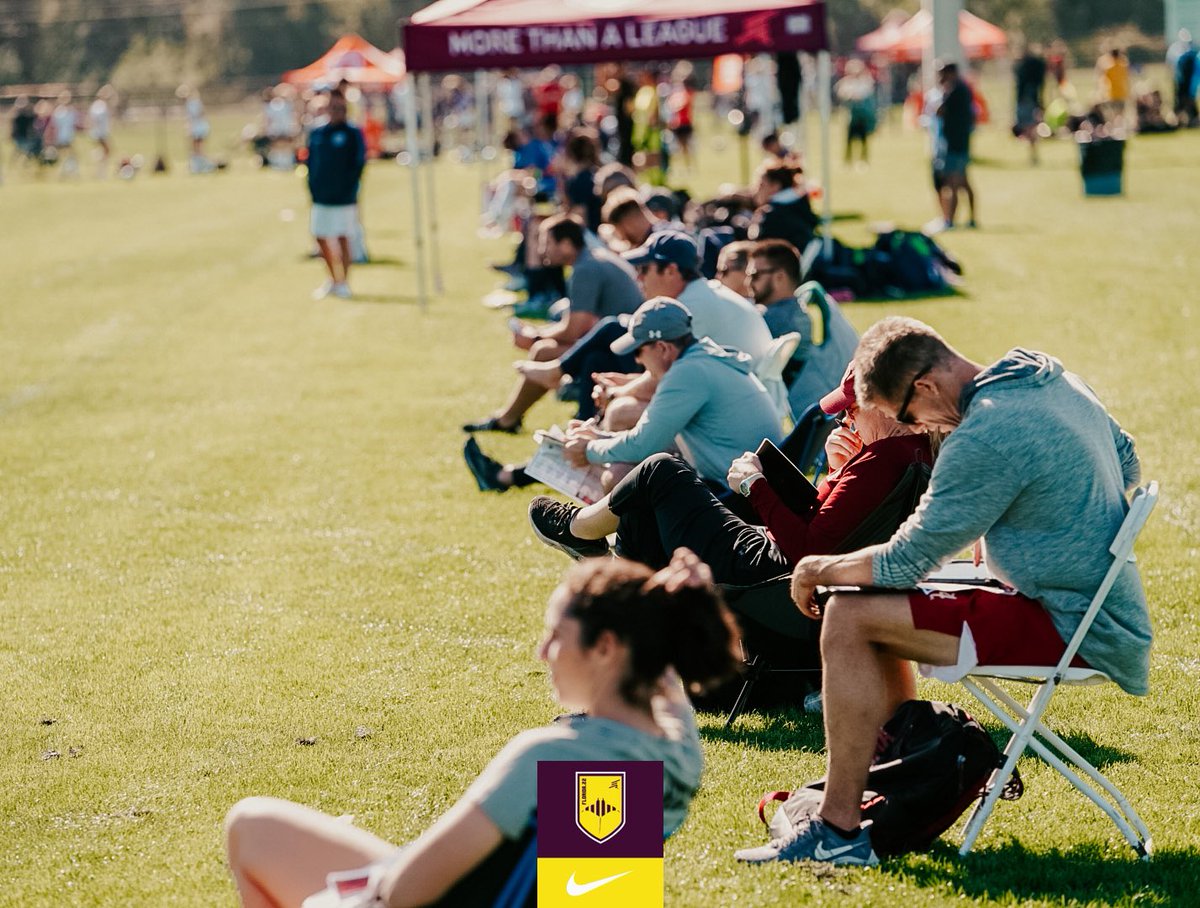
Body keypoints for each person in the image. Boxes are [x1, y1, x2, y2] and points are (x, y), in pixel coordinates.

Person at [737, 316, 1151, 866]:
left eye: (907, 415)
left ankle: (838, 832)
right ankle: (907, 770)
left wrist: (815, 568)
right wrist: (1037, 521)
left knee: (847, 615)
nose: (915, 426)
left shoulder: (984, 434)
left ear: (925, 386)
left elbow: (904, 561)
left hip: (1071, 621)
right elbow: (1126, 461)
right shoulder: (1044, 374)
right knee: (861, 610)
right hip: (1080, 601)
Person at [226, 549, 738, 908]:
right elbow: (593, 890)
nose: (542, 653)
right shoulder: (676, 752)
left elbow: (407, 893)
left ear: (606, 648)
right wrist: (671, 603)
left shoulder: (548, 758)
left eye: (556, 635)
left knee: (249, 825)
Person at [526, 367, 931, 582]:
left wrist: (755, 486)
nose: (847, 417)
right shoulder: (900, 454)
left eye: (853, 407)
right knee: (646, 503)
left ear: (884, 405)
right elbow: (832, 522)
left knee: (660, 470)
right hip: (778, 563)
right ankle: (612, 576)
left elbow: (808, 548)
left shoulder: (883, 461)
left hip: (766, 570)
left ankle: (581, 530)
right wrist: (835, 471)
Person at [463, 214, 642, 434]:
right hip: (624, 347)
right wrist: (540, 333)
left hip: (629, 353)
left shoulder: (586, 268)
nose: (541, 250)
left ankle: (508, 419)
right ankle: (510, 417)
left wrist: (535, 336)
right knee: (549, 349)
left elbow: (576, 328)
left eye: (546, 242)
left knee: (543, 351)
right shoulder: (593, 259)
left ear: (566, 244)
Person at [746, 240, 858, 419]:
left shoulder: (777, 318)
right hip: (828, 417)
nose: (748, 282)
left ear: (780, 277)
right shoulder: (796, 308)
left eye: (755, 275)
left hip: (823, 424)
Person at [306, 90, 366, 300]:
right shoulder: (317, 132)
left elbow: (358, 164)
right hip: (321, 196)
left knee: (343, 237)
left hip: (344, 196)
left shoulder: (352, 133)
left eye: (340, 108)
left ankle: (344, 282)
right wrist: (312, 187)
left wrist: (351, 188)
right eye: (332, 107)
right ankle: (333, 279)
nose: (336, 112)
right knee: (320, 236)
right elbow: (311, 162)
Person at [932, 62, 976, 231]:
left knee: (953, 183)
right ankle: (971, 219)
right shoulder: (963, 88)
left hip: (955, 144)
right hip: (960, 142)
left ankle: (950, 221)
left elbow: (939, 111)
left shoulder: (955, 90)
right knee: (964, 182)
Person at [746, 159, 820, 251]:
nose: (755, 190)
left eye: (761, 185)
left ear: (775, 186)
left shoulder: (770, 215)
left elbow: (757, 250)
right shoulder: (798, 205)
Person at [836, 60, 876, 166]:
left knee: (863, 138)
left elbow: (867, 92)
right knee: (849, 139)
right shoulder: (846, 82)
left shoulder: (865, 81)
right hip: (851, 116)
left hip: (862, 116)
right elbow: (841, 92)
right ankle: (848, 159)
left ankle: (863, 158)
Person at [1013, 44, 1047, 164]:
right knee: (1030, 129)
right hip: (1031, 101)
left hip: (1025, 102)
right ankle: (1033, 153)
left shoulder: (1023, 69)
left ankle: (1033, 154)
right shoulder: (1037, 68)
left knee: (1029, 129)